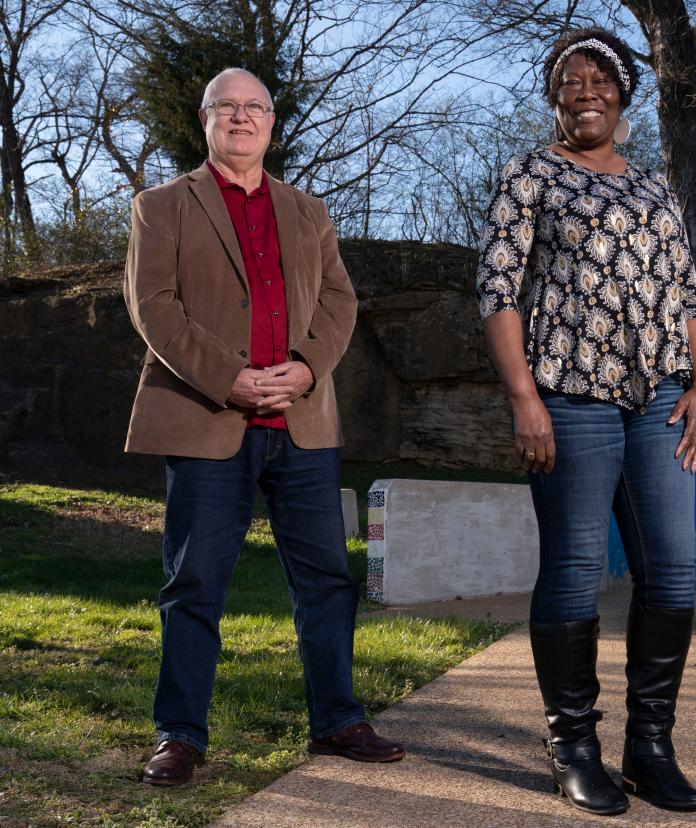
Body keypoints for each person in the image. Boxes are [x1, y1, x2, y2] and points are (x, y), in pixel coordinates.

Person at [125, 67, 405, 787]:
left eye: (255, 108)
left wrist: (307, 368)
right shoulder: (161, 206)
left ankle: (339, 719)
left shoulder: (309, 211)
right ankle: (180, 735)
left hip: (303, 422)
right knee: (195, 583)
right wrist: (231, 378)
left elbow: (340, 303)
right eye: (228, 108)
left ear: (272, 123)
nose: (242, 119)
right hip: (207, 417)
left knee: (326, 581)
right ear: (206, 118)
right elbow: (153, 307)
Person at [475, 28, 696, 816]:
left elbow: (689, 295)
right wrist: (524, 398)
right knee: (577, 567)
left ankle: (651, 748)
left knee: (673, 570)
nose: (586, 92)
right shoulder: (530, 175)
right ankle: (573, 746)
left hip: (661, 400)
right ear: (554, 97)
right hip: (569, 397)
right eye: (570, 81)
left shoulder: (656, 189)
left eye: (599, 80)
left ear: (622, 94)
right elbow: (499, 292)